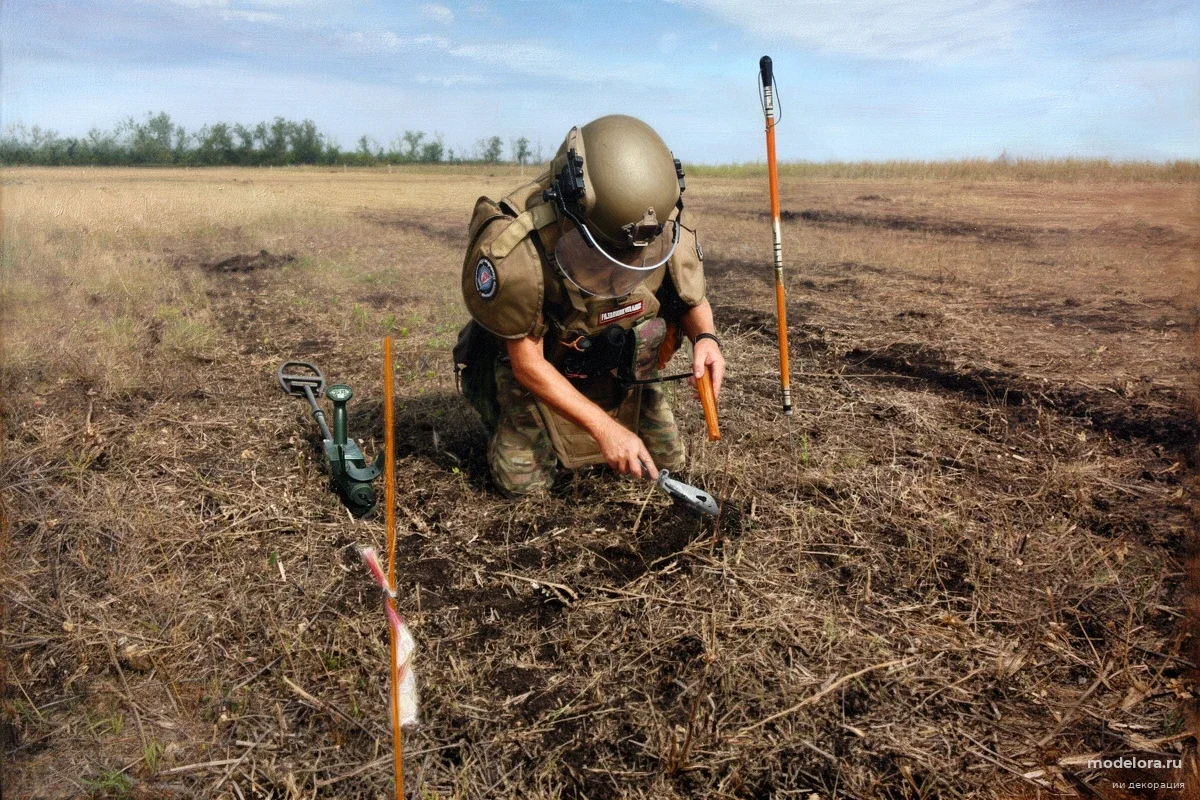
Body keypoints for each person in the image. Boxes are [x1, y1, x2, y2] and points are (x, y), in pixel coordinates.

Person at [454, 114, 724, 497]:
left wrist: (707, 338)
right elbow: (527, 363)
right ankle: (508, 417)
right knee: (522, 488)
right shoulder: (519, 247)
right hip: (545, 369)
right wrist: (605, 429)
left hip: (623, 364)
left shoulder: (656, 220)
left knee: (669, 463)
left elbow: (689, 297)